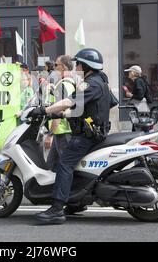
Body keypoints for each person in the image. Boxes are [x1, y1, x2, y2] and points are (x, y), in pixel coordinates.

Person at [28, 48, 110, 224]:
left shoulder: (91, 84)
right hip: (93, 132)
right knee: (73, 165)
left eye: (79, 63)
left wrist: (43, 110)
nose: (77, 66)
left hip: (86, 136)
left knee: (64, 164)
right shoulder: (101, 82)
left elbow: (69, 101)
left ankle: (57, 209)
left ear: (86, 65)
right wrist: (62, 115)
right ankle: (75, 202)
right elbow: (96, 106)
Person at [45, 55, 76, 172]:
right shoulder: (70, 82)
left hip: (62, 132)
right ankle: (48, 189)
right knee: (51, 165)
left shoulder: (63, 85)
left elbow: (58, 111)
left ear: (63, 67)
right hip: (63, 132)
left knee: (65, 167)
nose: (54, 68)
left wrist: (50, 134)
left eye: (56, 65)